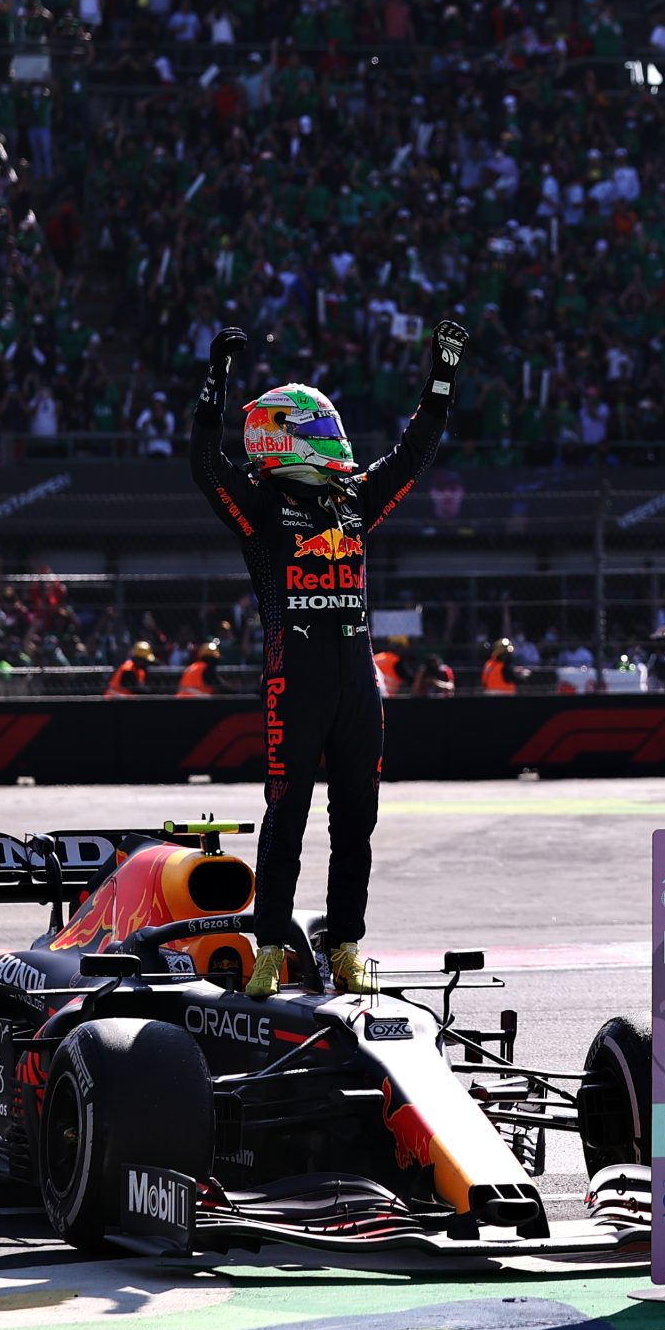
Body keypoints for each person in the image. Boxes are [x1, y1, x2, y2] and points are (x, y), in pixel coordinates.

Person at [191, 317, 464, 998]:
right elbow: (205, 465)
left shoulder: (353, 499)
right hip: (294, 685)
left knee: (357, 824)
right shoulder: (260, 507)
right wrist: (215, 380)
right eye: (319, 428)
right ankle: (270, 948)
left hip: (359, 689)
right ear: (285, 436)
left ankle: (345, 947)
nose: (333, 438)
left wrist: (442, 376)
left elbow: (414, 453)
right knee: (286, 818)